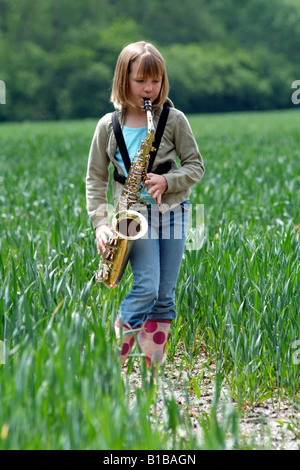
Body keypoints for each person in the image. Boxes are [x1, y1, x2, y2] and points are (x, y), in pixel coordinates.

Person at [86, 41, 205, 374]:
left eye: (156, 80)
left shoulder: (173, 118)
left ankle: (152, 373)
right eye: (141, 81)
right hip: (132, 215)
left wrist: (170, 181)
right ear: (124, 80)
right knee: (147, 287)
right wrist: (100, 224)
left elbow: (196, 165)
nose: (149, 88)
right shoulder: (107, 126)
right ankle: (113, 364)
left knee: (164, 296)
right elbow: (95, 180)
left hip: (175, 213)